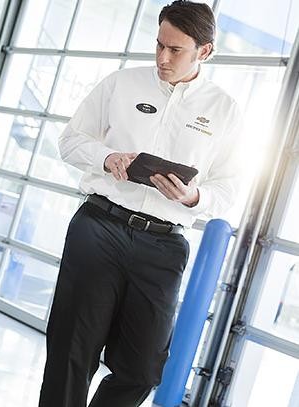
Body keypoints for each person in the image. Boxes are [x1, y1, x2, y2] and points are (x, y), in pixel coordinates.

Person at [38, 1, 243, 406]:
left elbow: (229, 188)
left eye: (176, 50)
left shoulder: (225, 111)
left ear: (205, 52)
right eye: (159, 45)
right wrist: (106, 157)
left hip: (163, 244)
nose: (163, 58)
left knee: (143, 368)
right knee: (71, 351)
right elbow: (71, 140)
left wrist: (193, 196)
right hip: (99, 227)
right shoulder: (122, 83)